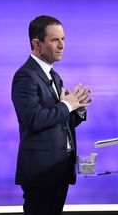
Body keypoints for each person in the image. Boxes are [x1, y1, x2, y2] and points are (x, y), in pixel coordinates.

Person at [11, 15, 92, 215]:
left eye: (63, 39)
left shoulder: (54, 75)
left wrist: (77, 109)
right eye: (55, 40)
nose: (62, 45)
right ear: (36, 43)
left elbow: (59, 121)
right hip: (41, 172)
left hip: (59, 169)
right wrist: (66, 105)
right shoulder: (25, 76)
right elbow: (34, 119)